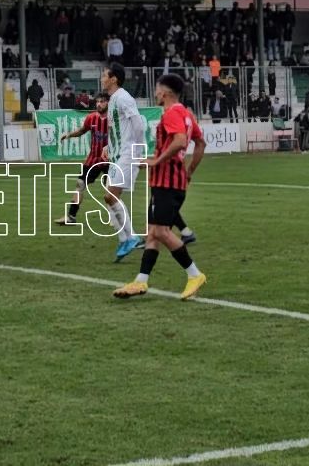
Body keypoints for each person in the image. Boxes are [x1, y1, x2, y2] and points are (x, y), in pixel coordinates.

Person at [113, 73, 208, 301]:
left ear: (164, 92)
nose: (155, 93)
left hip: (166, 183)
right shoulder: (186, 114)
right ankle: (141, 281)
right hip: (168, 182)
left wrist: (157, 161)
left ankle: (195, 275)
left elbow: (180, 141)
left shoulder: (172, 113)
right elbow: (200, 142)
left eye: (156, 89)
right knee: (151, 234)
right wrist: (189, 171)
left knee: (161, 232)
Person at [101, 63, 145, 262]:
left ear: (114, 79)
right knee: (109, 198)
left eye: (104, 75)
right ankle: (124, 238)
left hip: (127, 154)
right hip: (116, 155)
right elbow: (116, 130)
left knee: (110, 196)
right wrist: (107, 148)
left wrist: (139, 153)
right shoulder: (113, 100)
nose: (102, 78)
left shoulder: (124, 98)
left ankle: (131, 237)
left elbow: (138, 125)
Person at [55, 93, 110, 228]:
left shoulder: (114, 119)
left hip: (110, 160)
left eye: (102, 101)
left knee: (111, 189)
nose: (98, 104)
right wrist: (69, 135)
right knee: (80, 184)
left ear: (108, 103)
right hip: (93, 159)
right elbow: (82, 130)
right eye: (97, 102)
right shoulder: (91, 118)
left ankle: (114, 217)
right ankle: (71, 216)